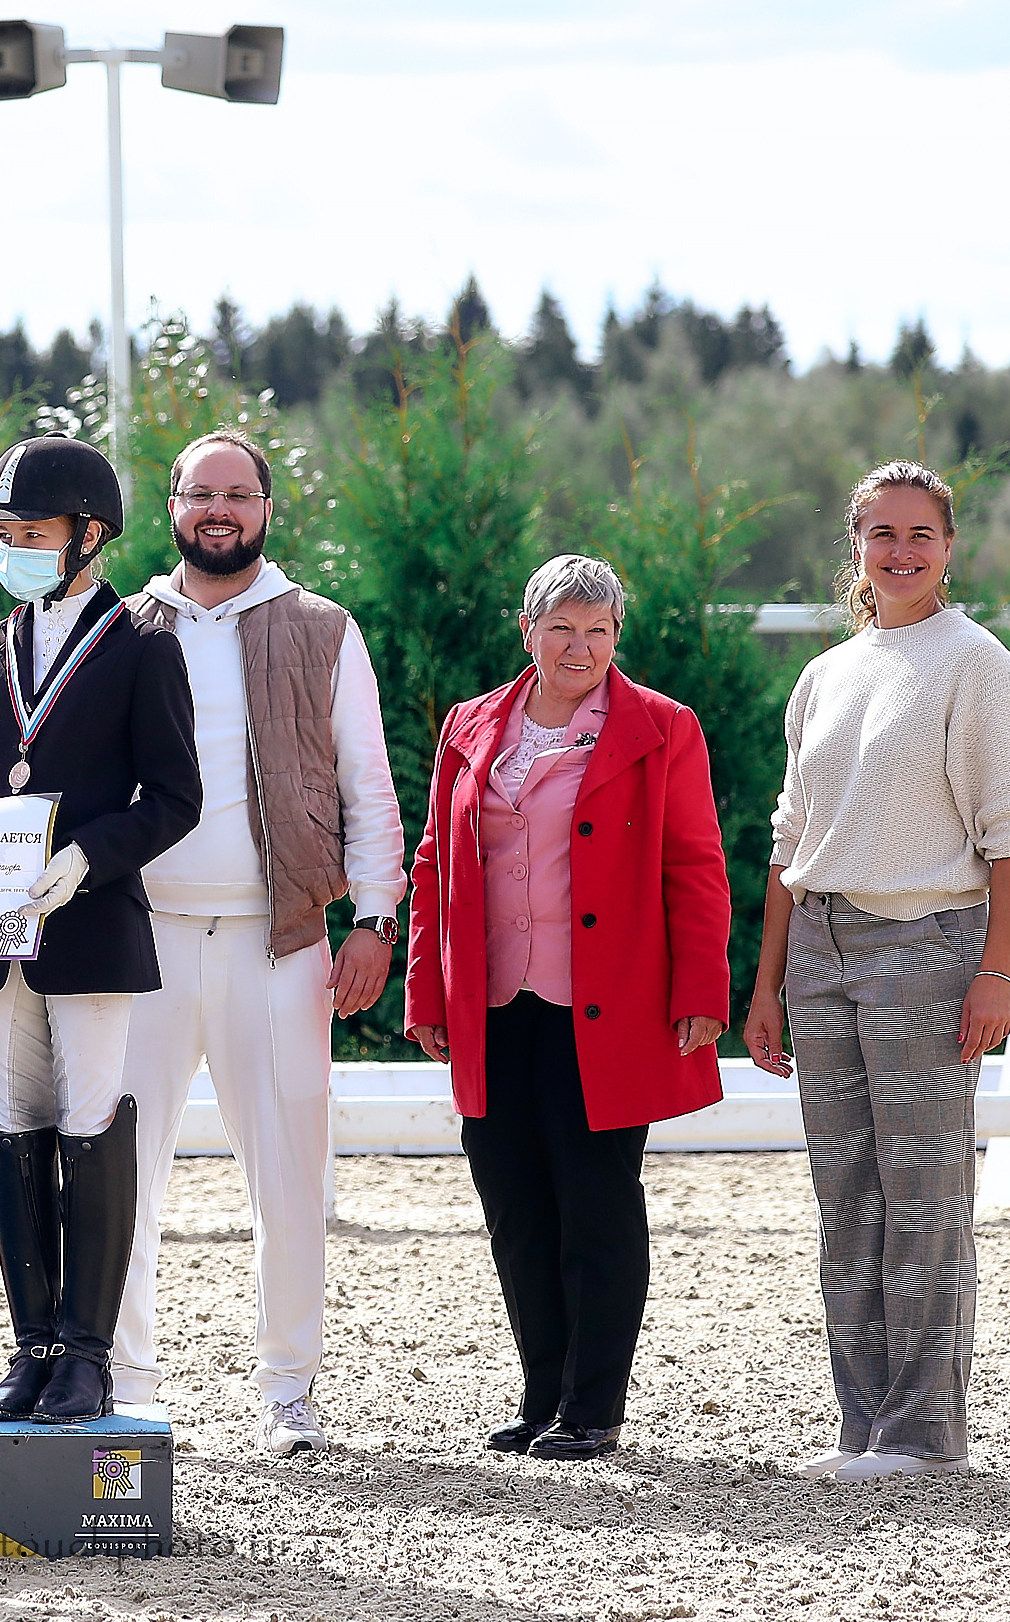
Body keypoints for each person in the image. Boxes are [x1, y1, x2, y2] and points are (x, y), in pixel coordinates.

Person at [742, 461, 1010, 1483]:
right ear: (856, 545)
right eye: (882, 534)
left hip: (929, 944)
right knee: (847, 1200)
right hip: (819, 956)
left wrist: (995, 972)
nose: (901, 551)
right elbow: (791, 840)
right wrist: (765, 987)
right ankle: (861, 1422)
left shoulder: (976, 665)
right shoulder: (825, 674)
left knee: (922, 1197)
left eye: (920, 534)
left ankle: (923, 1436)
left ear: (948, 547)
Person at [111, 431, 408, 1455]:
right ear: (173, 506)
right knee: (121, 1174)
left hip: (277, 944)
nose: (219, 510)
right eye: (202, 493)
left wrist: (374, 918)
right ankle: (127, 1384)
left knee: (288, 1177)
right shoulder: (122, 624)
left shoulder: (323, 628)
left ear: (267, 508)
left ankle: (288, 1390)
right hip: (137, 942)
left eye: (238, 493)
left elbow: (368, 785)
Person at [0, 436, 202, 1425]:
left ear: (88, 536)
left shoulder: (143, 646)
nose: (13, 548)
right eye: (5, 534)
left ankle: (86, 1353)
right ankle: (30, 1342)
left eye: (31, 533)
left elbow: (173, 796)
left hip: (88, 914)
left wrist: (88, 857)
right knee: (12, 1115)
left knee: (86, 1112)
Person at [404, 554, 729, 1461]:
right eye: (561, 628)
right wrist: (426, 987)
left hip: (606, 1005)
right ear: (527, 631)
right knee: (512, 1201)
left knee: (596, 1201)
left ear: (617, 636)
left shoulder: (662, 727)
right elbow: (433, 863)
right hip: (493, 1003)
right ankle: (543, 1389)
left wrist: (703, 987)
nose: (579, 646)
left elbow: (694, 862)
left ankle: (594, 1404)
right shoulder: (472, 726)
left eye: (597, 630)